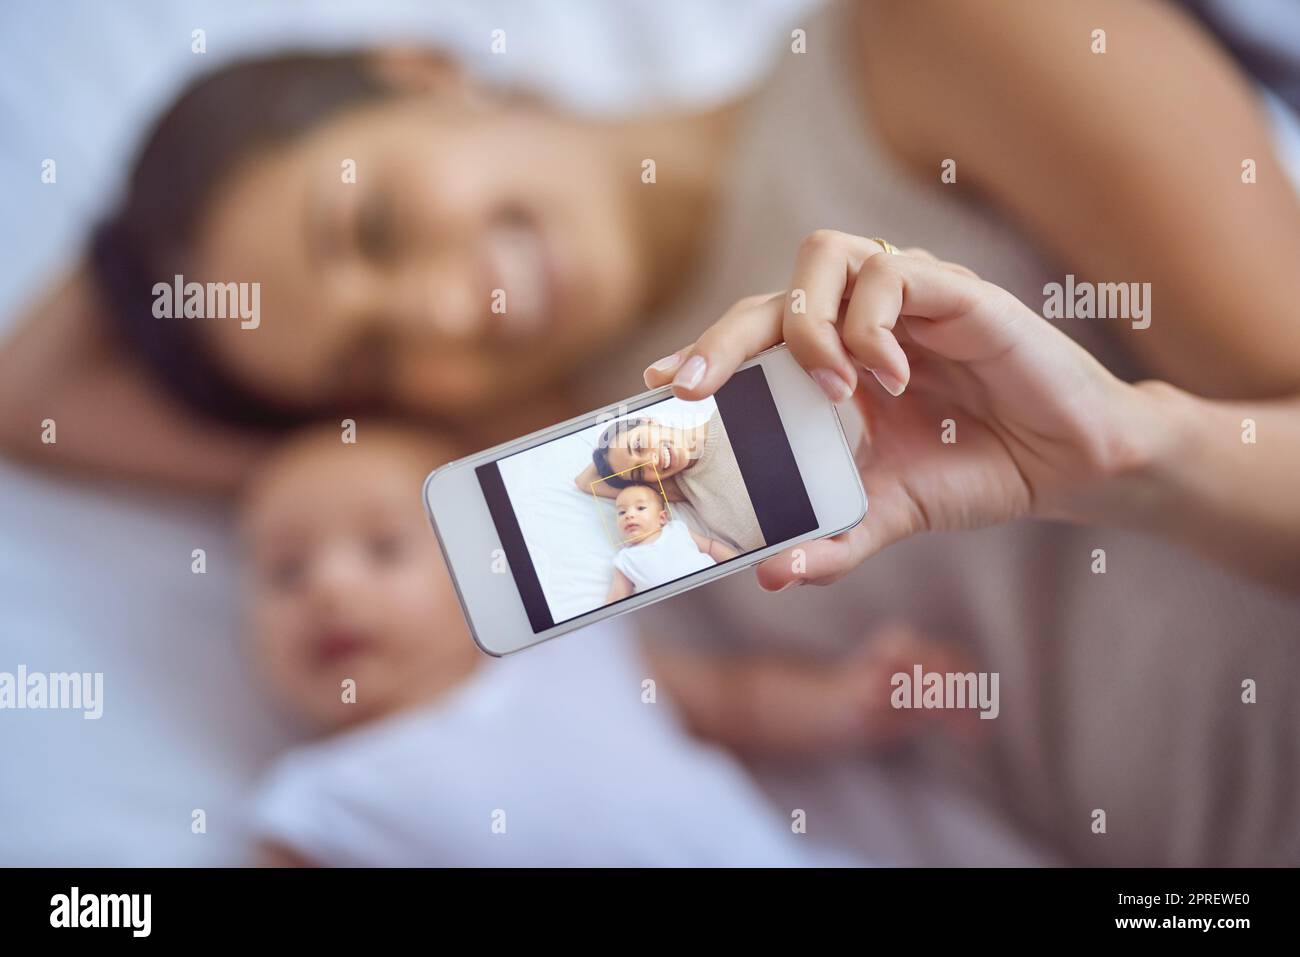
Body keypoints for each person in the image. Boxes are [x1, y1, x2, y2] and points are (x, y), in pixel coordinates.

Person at [241, 422, 976, 865]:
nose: (327, 589)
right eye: (286, 569)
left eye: (382, 547)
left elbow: (737, 700)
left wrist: (848, 701)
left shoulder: (579, 651)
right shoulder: (318, 798)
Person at [578, 410, 764, 551]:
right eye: (639, 472)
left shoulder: (732, 412)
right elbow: (585, 482)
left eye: (638, 445)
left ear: (649, 422)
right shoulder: (680, 488)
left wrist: (607, 447)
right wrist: (606, 460)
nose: (651, 461)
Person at [605, 483, 736, 602]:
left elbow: (711, 547)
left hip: (716, 587)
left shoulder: (677, 530)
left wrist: (735, 562)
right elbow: (617, 599)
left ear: (662, 518)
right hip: (673, 608)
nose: (629, 515)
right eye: (622, 512)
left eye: (640, 508)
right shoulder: (625, 559)